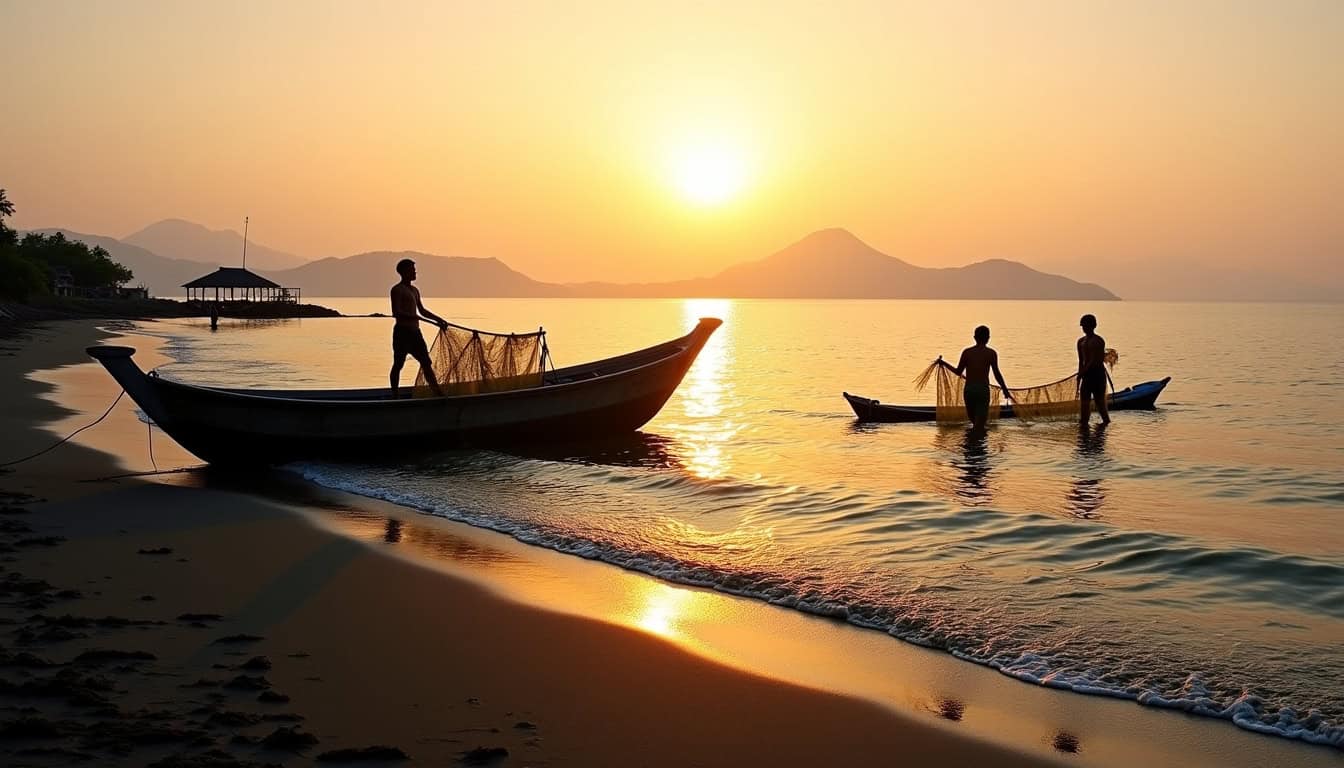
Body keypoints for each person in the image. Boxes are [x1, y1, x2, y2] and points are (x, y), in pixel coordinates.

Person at [389, 258, 447, 398]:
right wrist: (413, 316)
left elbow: (422, 310)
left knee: (426, 362)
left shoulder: (414, 290)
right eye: (412, 269)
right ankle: (395, 395)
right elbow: (396, 312)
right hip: (402, 333)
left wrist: (439, 320)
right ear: (403, 272)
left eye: (415, 269)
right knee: (398, 364)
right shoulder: (397, 290)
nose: (415, 272)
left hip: (415, 333)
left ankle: (437, 393)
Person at [952, 325, 1013, 430]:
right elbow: (997, 374)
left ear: (974, 337)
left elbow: (958, 372)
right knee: (980, 423)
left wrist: (944, 364)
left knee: (973, 420)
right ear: (988, 338)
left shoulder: (967, 352)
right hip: (982, 390)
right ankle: (980, 443)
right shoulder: (991, 353)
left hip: (969, 390)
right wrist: (1005, 390)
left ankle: (971, 444)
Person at [1077, 314, 1110, 425]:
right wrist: (1079, 376)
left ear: (1094, 326)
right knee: (1084, 403)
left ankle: (1105, 424)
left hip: (1097, 376)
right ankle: (1084, 425)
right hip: (1086, 377)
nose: (1085, 328)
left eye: (1087, 326)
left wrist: (1082, 372)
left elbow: (1094, 360)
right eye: (1084, 326)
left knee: (1100, 402)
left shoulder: (1098, 341)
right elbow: (1081, 361)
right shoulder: (1080, 342)